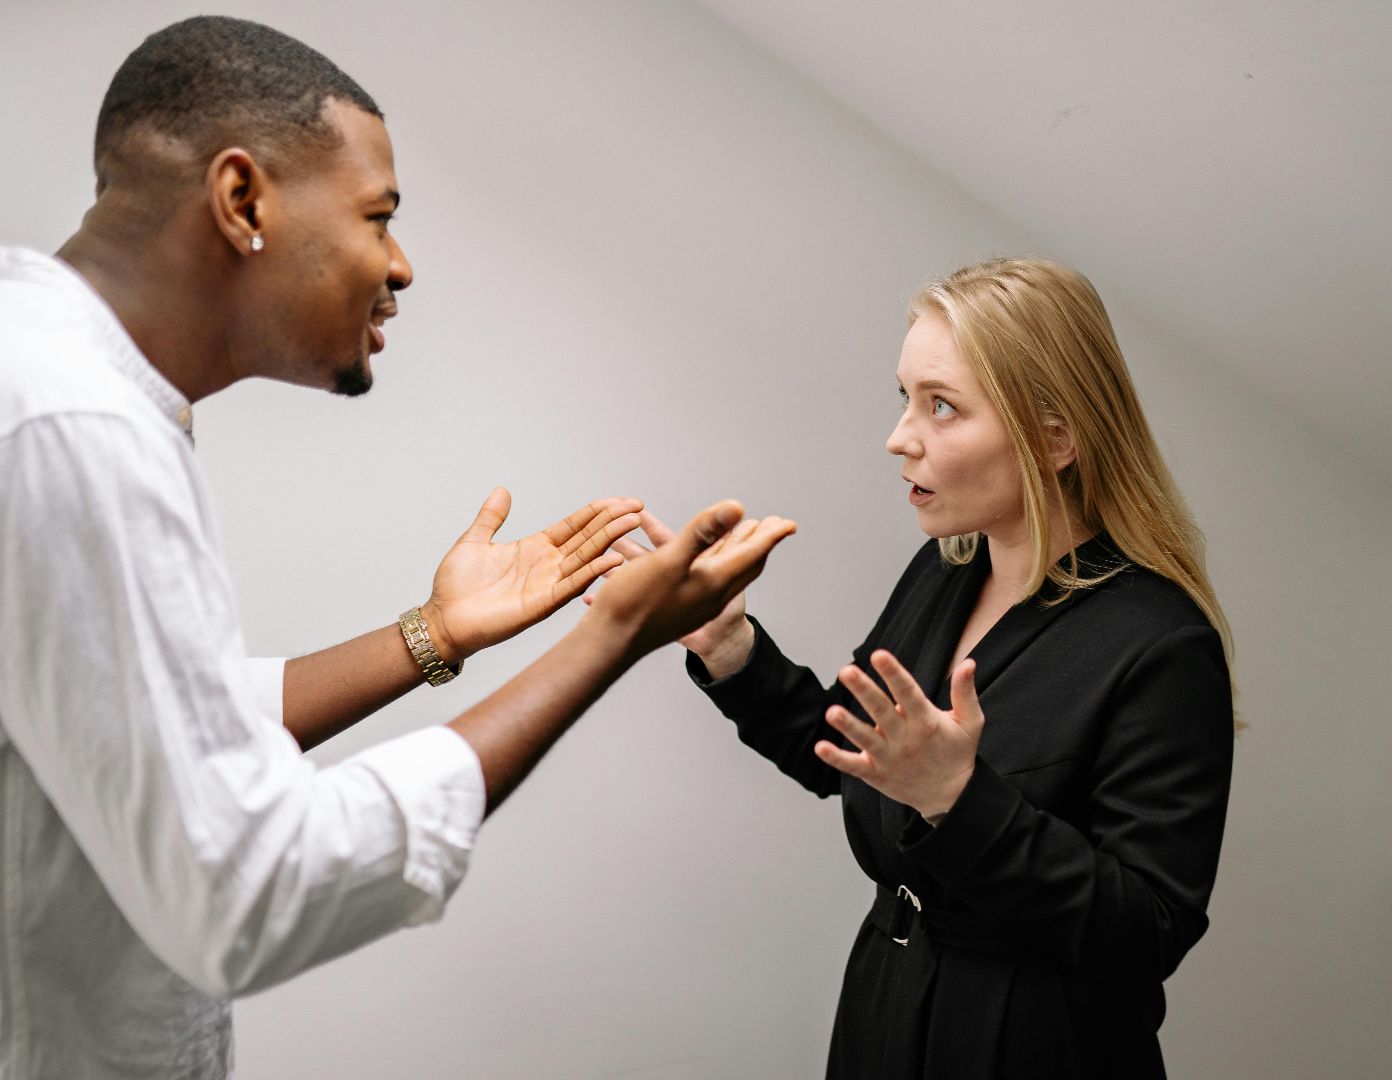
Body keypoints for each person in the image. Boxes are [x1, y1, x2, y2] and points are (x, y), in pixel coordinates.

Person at [0, 16, 794, 1078]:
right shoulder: (73, 427)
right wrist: (609, 638)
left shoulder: (51, 373)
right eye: (379, 216)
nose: (402, 264)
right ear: (244, 202)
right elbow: (242, 895)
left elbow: (141, 713)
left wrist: (434, 635)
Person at [650, 257, 1233, 1078]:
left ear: (1055, 438)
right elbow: (855, 756)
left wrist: (957, 800)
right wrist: (729, 649)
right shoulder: (946, 572)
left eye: (943, 406)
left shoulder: (1160, 644)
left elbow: (1147, 931)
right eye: (905, 397)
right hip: (884, 1013)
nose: (900, 436)